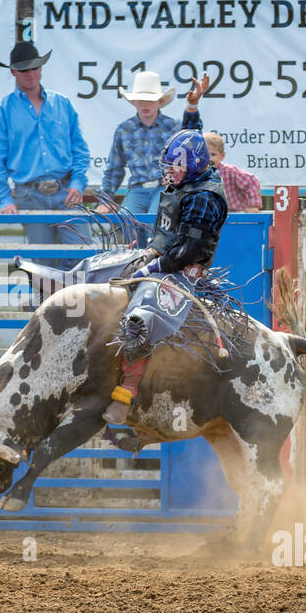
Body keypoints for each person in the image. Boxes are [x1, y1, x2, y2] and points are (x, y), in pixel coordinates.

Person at [103, 114, 228, 425]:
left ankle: (127, 389)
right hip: (161, 255)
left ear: (192, 166)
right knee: (104, 268)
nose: (170, 171)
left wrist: (153, 266)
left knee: (143, 314)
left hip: (184, 270)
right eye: (170, 165)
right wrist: (193, 108)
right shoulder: (192, 179)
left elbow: (190, 250)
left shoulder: (204, 197)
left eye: (176, 166)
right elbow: (192, 135)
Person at [0, 42, 90, 261]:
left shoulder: (63, 104)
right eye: (24, 69)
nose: (30, 74)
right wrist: (4, 200)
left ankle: (74, 297)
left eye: (35, 67)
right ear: (13, 72)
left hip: (66, 189)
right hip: (30, 195)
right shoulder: (0, 112)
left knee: (83, 254)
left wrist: (78, 183)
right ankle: (47, 297)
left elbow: (80, 149)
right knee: (43, 261)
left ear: (41, 68)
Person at [97, 70, 181, 220]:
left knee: (155, 222)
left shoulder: (174, 128)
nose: (145, 105)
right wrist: (106, 200)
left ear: (160, 102)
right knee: (127, 223)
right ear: (133, 102)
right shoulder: (124, 129)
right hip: (137, 188)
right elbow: (114, 168)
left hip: (165, 188)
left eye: (150, 100)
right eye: (140, 100)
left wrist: (175, 174)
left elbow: (186, 162)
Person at [204, 131, 262, 212]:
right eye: (205, 155)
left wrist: (252, 205)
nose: (209, 159)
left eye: (213, 154)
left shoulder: (229, 171)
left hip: (236, 215)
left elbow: (252, 182)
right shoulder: (197, 174)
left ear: (222, 156)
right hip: (213, 216)